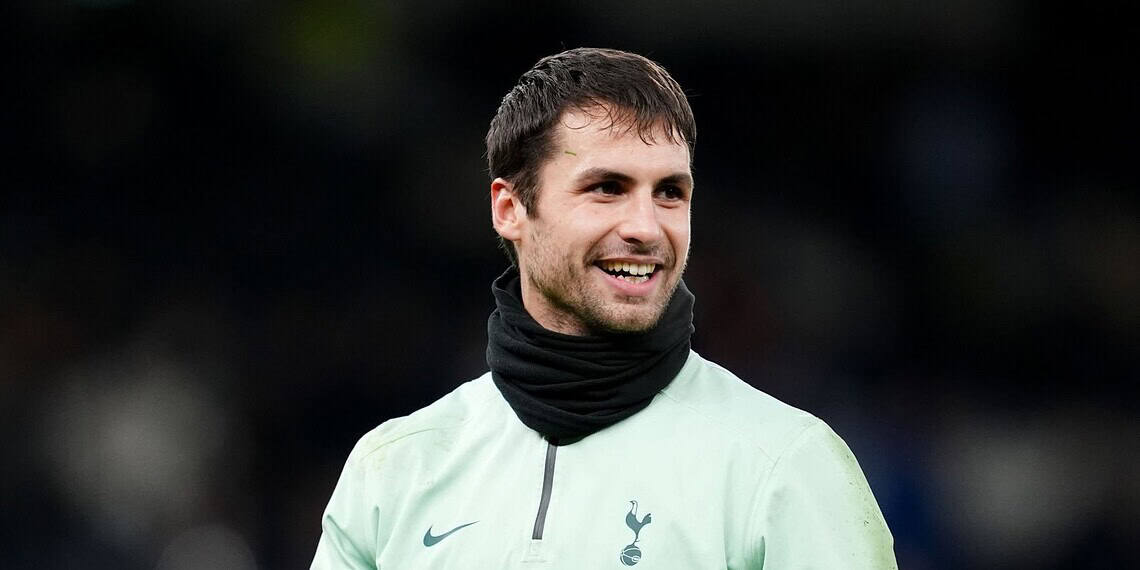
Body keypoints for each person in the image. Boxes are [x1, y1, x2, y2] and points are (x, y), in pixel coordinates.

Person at [311, 47, 897, 569]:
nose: (646, 227)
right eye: (607, 188)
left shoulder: (787, 466)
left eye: (670, 192)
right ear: (510, 208)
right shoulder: (393, 470)